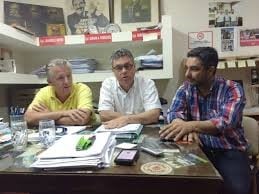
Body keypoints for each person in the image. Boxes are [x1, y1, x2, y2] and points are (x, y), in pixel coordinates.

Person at [159, 47, 251, 194]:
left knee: (237, 190)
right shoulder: (186, 88)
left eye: (194, 69)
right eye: (186, 68)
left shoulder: (233, 89)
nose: (187, 74)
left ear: (211, 70)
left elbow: (225, 122)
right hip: (197, 148)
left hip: (229, 150)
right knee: (175, 184)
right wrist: (182, 125)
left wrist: (191, 126)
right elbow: (173, 112)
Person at [98, 48, 161, 129]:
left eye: (127, 66)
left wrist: (127, 119)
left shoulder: (147, 83)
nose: (124, 71)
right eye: (119, 68)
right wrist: (136, 118)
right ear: (113, 71)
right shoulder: (108, 84)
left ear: (134, 67)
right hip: (116, 130)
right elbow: (104, 114)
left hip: (143, 130)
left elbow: (154, 115)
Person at [25, 59, 95, 126]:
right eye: (60, 78)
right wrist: (63, 113)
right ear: (50, 82)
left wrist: (49, 116)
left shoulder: (82, 89)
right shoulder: (44, 92)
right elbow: (28, 118)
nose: (66, 82)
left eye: (68, 76)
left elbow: (82, 119)